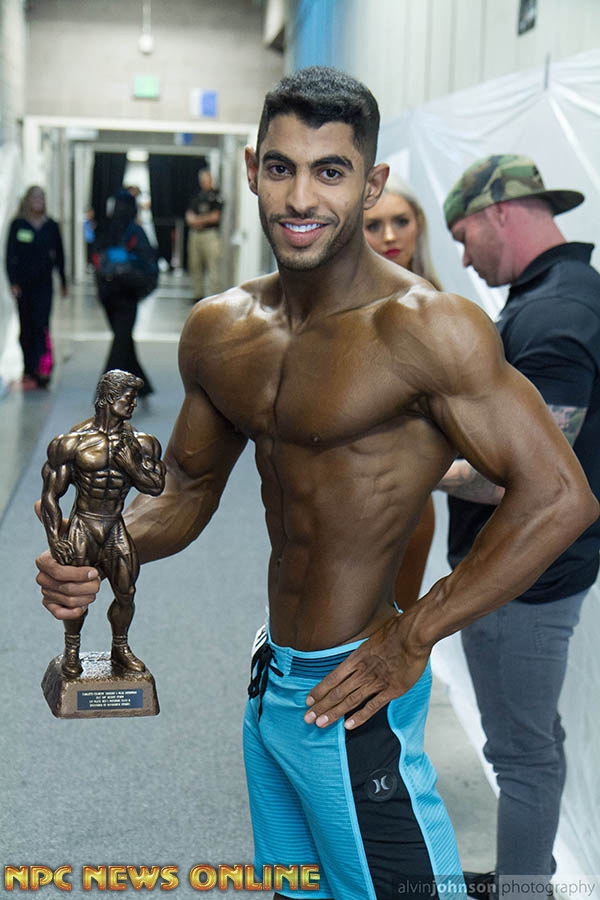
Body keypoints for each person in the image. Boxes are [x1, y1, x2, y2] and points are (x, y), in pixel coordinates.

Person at [35, 71, 598, 900]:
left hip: (355, 694)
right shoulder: (221, 329)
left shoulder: (428, 329)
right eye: (281, 168)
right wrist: (99, 551)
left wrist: (415, 636)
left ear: (370, 184)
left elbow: (558, 495)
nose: (301, 197)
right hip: (273, 680)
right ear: (252, 170)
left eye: (330, 171)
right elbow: (186, 486)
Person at [438, 154, 600, 899]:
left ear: (498, 212)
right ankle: (522, 880)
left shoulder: (554, 313)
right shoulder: (561, 294)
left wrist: (413, 469)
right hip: (531, 569)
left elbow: (531, 476)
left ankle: (523, 891)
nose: (465, 257)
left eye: (463, 237)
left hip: (523, 578)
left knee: (522, 754)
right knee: (533, 744)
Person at [41, 369, 165, 677]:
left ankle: (120, 647)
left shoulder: (143, 444)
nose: (133, 404)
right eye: (128, 398)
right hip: (83, 524)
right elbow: (51, 495)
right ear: (108, 398)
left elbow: (156, 486)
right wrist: (55, 539)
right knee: (75, 593)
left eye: (135, 398)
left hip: (114, 525)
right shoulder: (71, 443)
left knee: (126, 592)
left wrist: (132, 467)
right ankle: (72, 650)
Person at [363, 178, 441, 610]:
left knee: (396, 625)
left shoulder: (444, 313)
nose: (390, 236)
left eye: (401, 222)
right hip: (332, 497)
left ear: (419, 226)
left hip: (409, 498)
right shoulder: (332, 312)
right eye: (374, 226)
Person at [93, 189, 158, 395]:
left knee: (122, 341)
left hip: (116, 294)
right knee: (122, 341)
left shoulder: (114, 230)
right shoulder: (132, 232)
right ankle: (116, 391)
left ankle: (120, 389)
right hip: (122, 294)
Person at [5, 185, 67, 389]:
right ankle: (29, 368)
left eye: (42, 197)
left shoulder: (51, 226)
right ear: (27, 200)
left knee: (42, 326)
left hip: (44, 284)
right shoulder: (19, 225)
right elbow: (10, 255)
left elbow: (59, 254)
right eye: (35, 197)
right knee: (26, 328)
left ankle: (44, 368)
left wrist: (63, 281)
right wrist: (13, 282)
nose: (38, 201)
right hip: (24, 286)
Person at [185, 168, 224, 302]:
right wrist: (200, 220)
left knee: (213, 266)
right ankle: (198, 295)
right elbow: (189, 216)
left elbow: (215, 217)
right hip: (196, 235)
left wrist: (198, 220)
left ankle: (213, 297)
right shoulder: (197, 196)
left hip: (210, 235)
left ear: (211, 180)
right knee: (195, 265)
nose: (204, 182)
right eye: (202, 180)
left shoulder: (216, 196)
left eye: (206, 180)